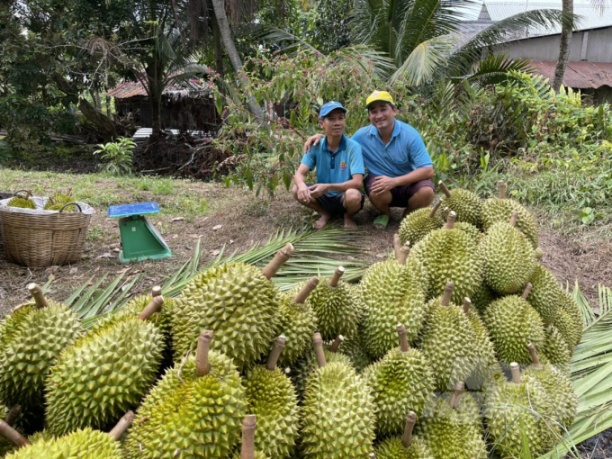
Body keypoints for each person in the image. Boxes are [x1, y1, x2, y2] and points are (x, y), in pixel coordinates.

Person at [305, 91, 435, 229]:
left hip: (406, 181)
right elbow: (342, 142)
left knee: (427, 191)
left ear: (394, 111)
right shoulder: (361, 136)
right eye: (373, 111)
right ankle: (385, 213)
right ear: (369, 116)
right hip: (380, 183)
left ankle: (407, 216)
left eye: (383, 109)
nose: (379, 115)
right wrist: (320, 136)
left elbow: (428, 170)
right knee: (375, 187)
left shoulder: (410, 135)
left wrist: (394, 181)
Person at [293, 101, 365, 229]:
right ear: (322, 124)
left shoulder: (353, 147)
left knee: (353, 195)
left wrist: (328, 186)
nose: (337, 123)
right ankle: (325, 213)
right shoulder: (315, 145)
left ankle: (348, 216)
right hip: (323, 196)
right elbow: (299, 173)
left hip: (344, 195)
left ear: (344, 121)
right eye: (331, 119)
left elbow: (358, 182)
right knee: (296, 189)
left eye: (340, 118)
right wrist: (301, 185)